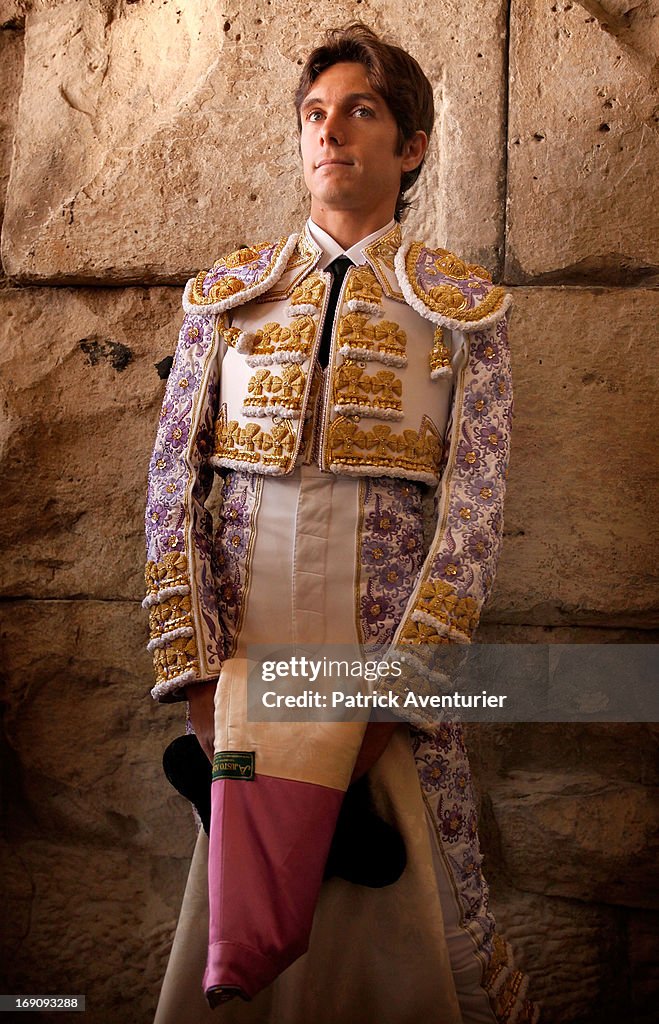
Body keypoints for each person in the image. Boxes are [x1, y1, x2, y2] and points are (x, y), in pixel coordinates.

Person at [143, 22, 538, 1024]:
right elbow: (167, 492)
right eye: (314, 114)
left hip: (380, 666)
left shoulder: (460, 312)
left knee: (410, 921)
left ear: (408, 146)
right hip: (244, 669)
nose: (331, 132)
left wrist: (387, 697)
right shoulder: (225, 301)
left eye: (360, 110)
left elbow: (473, 515)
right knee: (235, 917)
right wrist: (198, 683)